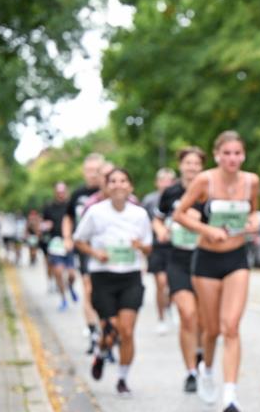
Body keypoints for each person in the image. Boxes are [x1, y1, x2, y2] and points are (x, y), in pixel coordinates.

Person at [174, 131, 260, 412]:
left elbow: (254, 213)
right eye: (227, 153)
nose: (232, 158)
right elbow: (180, 214)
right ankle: (207, 371)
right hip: (207, 260)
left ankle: (230, 396)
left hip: (237, 258)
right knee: (211, 330)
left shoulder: (252, 181)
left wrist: (252, 223)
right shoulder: (205, 181)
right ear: (217, 155)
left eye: (237, 153)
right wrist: (207, 230)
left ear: (243, 155)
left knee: (231, 327)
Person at [73, 168, 153, 398]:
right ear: (106, 187)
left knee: (126, 331)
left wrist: (140, 246)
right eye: (113, 181)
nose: (118, 185)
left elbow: (149, 247)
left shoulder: (139, 214)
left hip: (130, 276)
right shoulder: (96, 212)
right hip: (103, 276)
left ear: (130, 186)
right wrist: (96, 254)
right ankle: (102, 350)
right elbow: (79, 240)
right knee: (111, 331)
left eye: (123, 181)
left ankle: (122, 378)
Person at [157, 146, 207, 393]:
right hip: (177, 260)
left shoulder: (210, 191)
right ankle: (190, 372)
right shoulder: (171, 192)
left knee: (204, 321)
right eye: (188, 163)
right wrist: (161, 230)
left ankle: (200, 354)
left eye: (196, 164)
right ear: (181, 166)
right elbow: (157, 218)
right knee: (187, 315)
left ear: (202, 167)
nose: (192, 168)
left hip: (205, 260)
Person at [64, 153, 106, 354]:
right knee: (88, 289)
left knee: (105, 291)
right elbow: (68, 218)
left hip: (107, 248)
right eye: (89, 171)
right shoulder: (78, 194)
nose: (93, 175)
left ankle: (108, 330)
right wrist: (67, 238)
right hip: (85, 247)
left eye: (97, 170)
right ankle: (93, 332)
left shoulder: (111, 189)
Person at [143, 167, 178, 335]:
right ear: (157, 182)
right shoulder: (150, 200)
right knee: (160, 283)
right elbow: (143, 223)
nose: (166, 184)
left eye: (169, 180)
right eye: (163, 180)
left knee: (172, 284)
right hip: (157, 247)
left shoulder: (179, 197)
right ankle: (161, 318)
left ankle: (170, 305)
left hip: (175, 246)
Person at [42, 182, 80, 311]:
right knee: (58, 272)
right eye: (58, 192)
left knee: (71, 274)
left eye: (63, 192)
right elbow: (44, 223)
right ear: (55, 193)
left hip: (69, 243)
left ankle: (70, 287)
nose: (61, 194)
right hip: (56, 243)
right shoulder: (49, 207)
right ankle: (63, 299)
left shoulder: (72, 206)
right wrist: (46, 226)